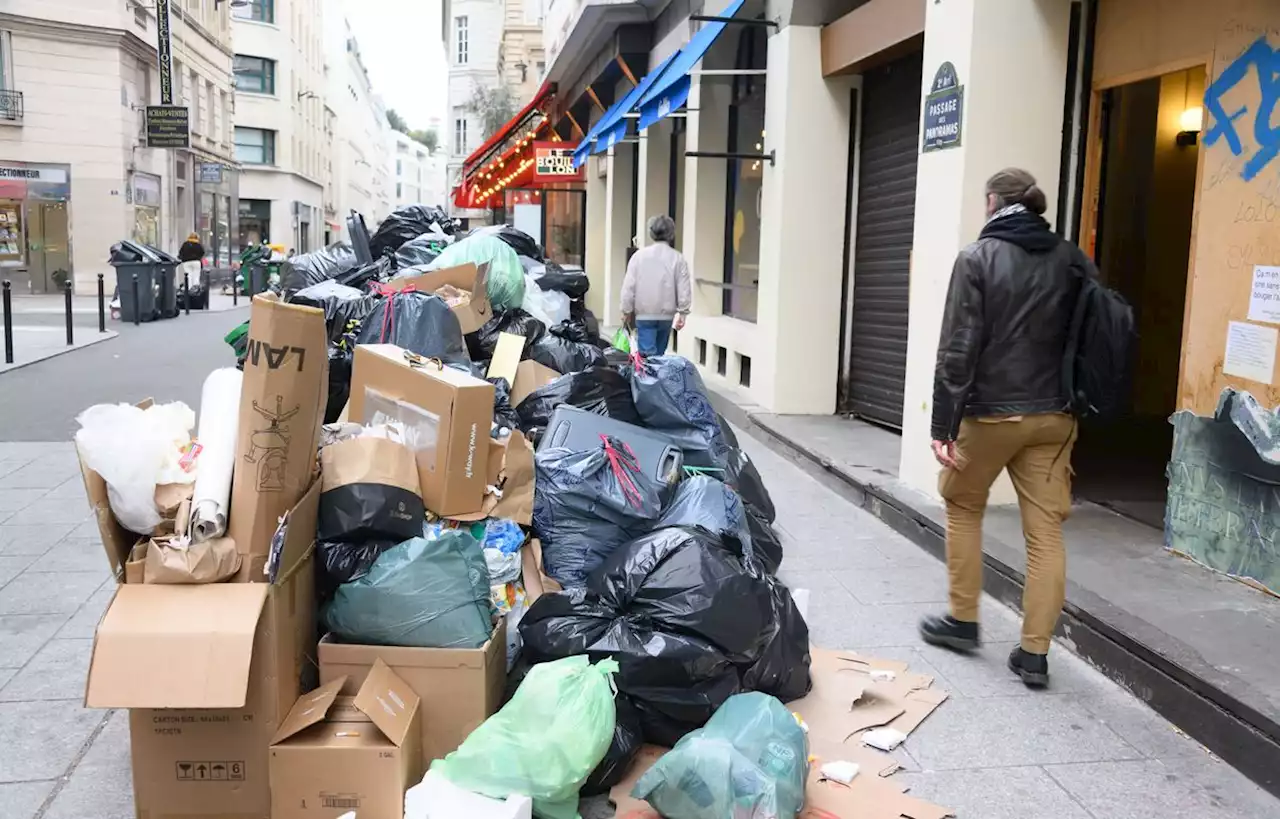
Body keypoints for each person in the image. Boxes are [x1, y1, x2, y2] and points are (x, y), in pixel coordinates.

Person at [919, 168, 1091, 688]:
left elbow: (959, 347)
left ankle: (963, 620)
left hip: (992, 413)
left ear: (992, 202)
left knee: (963, 502)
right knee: (1045, 534)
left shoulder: (977, 257)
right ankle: (1034, 654)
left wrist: (942, 424)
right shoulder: (1071, 259)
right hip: (1055, 416)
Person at [620, 214, 692, 356]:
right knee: (659, 355)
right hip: (667, 316)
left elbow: (629, 287)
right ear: (671, 233)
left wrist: (626, 310)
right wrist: (683, 313)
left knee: (648, 357)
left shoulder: (639, 257)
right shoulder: (678, 258)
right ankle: (658, 376)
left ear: (651, 232)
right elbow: (684, 288)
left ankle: (650, 377)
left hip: (644, 314)